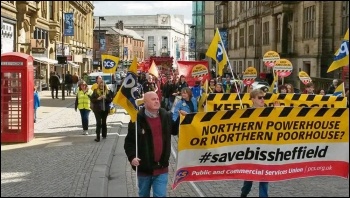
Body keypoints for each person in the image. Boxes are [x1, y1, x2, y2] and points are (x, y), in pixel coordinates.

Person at [124, 91, 177, 197]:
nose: (157, 101)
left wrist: (183, 119)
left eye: (157, 99)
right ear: (145, 102)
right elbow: (129, 142)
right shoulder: (137, 119)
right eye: (153, 99)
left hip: (161, 167)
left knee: (160, 195)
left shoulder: (165, 115)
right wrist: (132, 157)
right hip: (144, 168)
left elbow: (175, 130)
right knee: (143, 195)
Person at [241, 89, 269, 197]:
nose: (262, 99)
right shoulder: (247, 113)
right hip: (251, 150)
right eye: (260, 97)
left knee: (265, 177)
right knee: (249, 177)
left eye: (263, 97)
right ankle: (243, 194)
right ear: (253, 99)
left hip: (266, 149)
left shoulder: (269, 111)